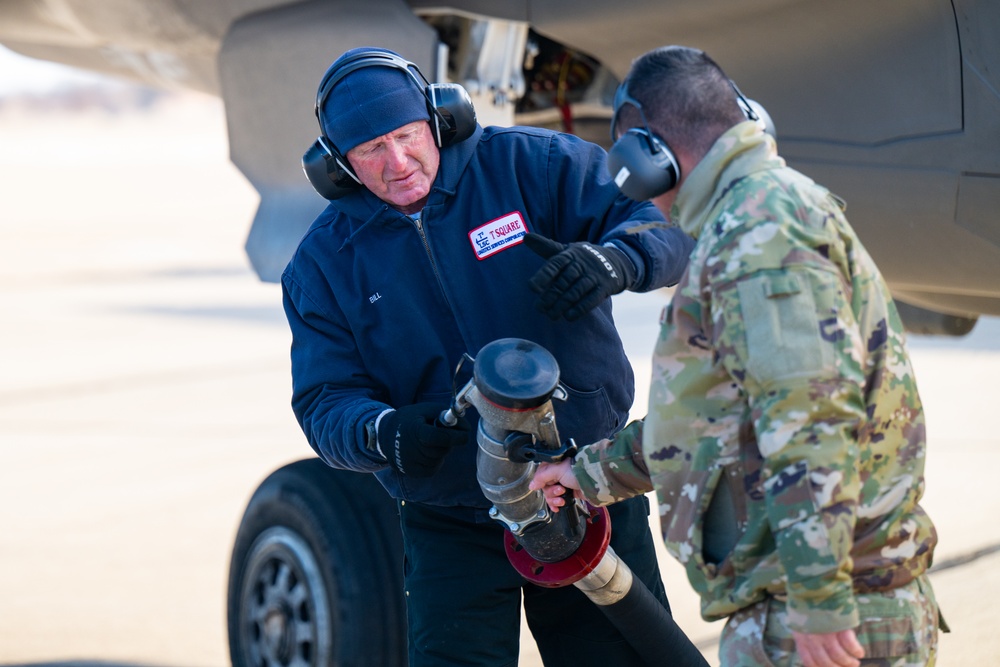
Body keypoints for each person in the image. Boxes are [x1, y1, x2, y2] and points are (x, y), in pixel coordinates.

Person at [281, 46, 700, 666]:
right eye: (371, 150)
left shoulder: (536, 165)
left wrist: (615, 261)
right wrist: (384, 433)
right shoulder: (323, 264)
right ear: (337, 166)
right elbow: (325, 402)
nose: (397, 163)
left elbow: (663, 227)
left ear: (439, 117)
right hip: (450, 517)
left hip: (582, 486)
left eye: (405, 135)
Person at [530, 45, 945, 667]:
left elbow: (808, 419)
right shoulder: (753, 220)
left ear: (652, 157)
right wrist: (588, 475)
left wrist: (819, 602)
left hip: (820, 615)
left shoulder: (761, 234)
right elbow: (714, 417)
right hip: (804, 601)